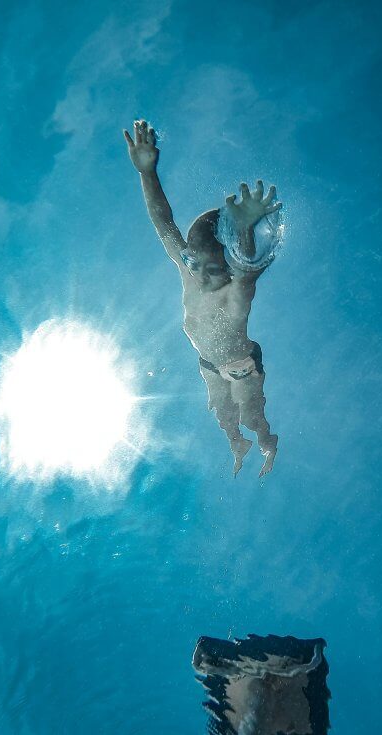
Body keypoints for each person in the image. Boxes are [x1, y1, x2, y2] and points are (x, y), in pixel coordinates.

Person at [125, 119, 280, 476]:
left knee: (250, 412)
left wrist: (244, 230)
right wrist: (147, 172)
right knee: (223, 415)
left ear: (226, 267)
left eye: (211, 269)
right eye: (193, 263)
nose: (198, 273)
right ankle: (237, 444)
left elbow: (247, 270)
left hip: (243, 365)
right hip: (209, 364)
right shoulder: (189, 271)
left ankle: (267, 442)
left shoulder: (233, 293)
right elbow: (164, 223)